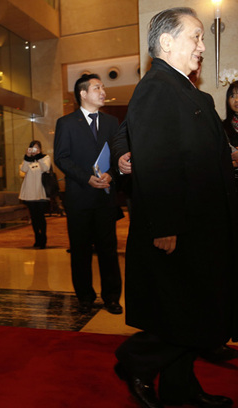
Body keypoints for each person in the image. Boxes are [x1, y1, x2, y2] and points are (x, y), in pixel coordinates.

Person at [113, 7, 237, 408]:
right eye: (196, 36)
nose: (202, 45)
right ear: (166, 42)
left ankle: (181, 387)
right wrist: (165, 224)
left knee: (187, 309)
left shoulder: (188, 90)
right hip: (178, 227)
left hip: (202, 225)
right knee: (190, 313)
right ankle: (135, 360)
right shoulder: (156, 88)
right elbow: (157, 161)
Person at [53, 73, 123, 315]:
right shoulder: (66, 123)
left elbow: (119, 154)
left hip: (105, 196)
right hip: (79, 197)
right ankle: (85, 297)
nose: (103, 92)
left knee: (108, 250)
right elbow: (61, 157)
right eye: (97, 88)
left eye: (103, 88)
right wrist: (86, 178)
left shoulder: (112, 122)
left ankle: (112, 297)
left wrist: (112, 174)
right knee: (80, 251)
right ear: (83, 93)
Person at [19, 140, 51, 248]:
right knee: (34, 217)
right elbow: (23, 169)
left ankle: (43, 238)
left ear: (40, 149)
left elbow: (45, 168)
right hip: (30, 193)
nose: (34, 150)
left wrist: (38, 156)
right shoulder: (27, 160)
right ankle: (37, 237)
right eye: (32, 148)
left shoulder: (45, 158)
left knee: (41, 216)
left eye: (37, 148)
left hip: (41, 192)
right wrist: (27, 157)